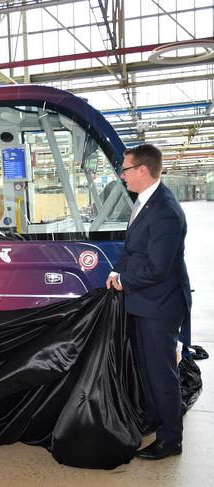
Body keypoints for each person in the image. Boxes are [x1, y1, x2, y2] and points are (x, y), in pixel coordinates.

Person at [106, 144, 191, 460]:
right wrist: (119, 270)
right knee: (146, 365)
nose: (122, 175)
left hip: (161, 305)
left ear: (142, 170)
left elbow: (157, 267)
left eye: (125, 169)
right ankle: (155, 417)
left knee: (160, 370)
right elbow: (135, 250)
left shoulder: (165, 210)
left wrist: (124, 281)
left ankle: (171, 438)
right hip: (146, 301)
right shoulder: (145, 202)